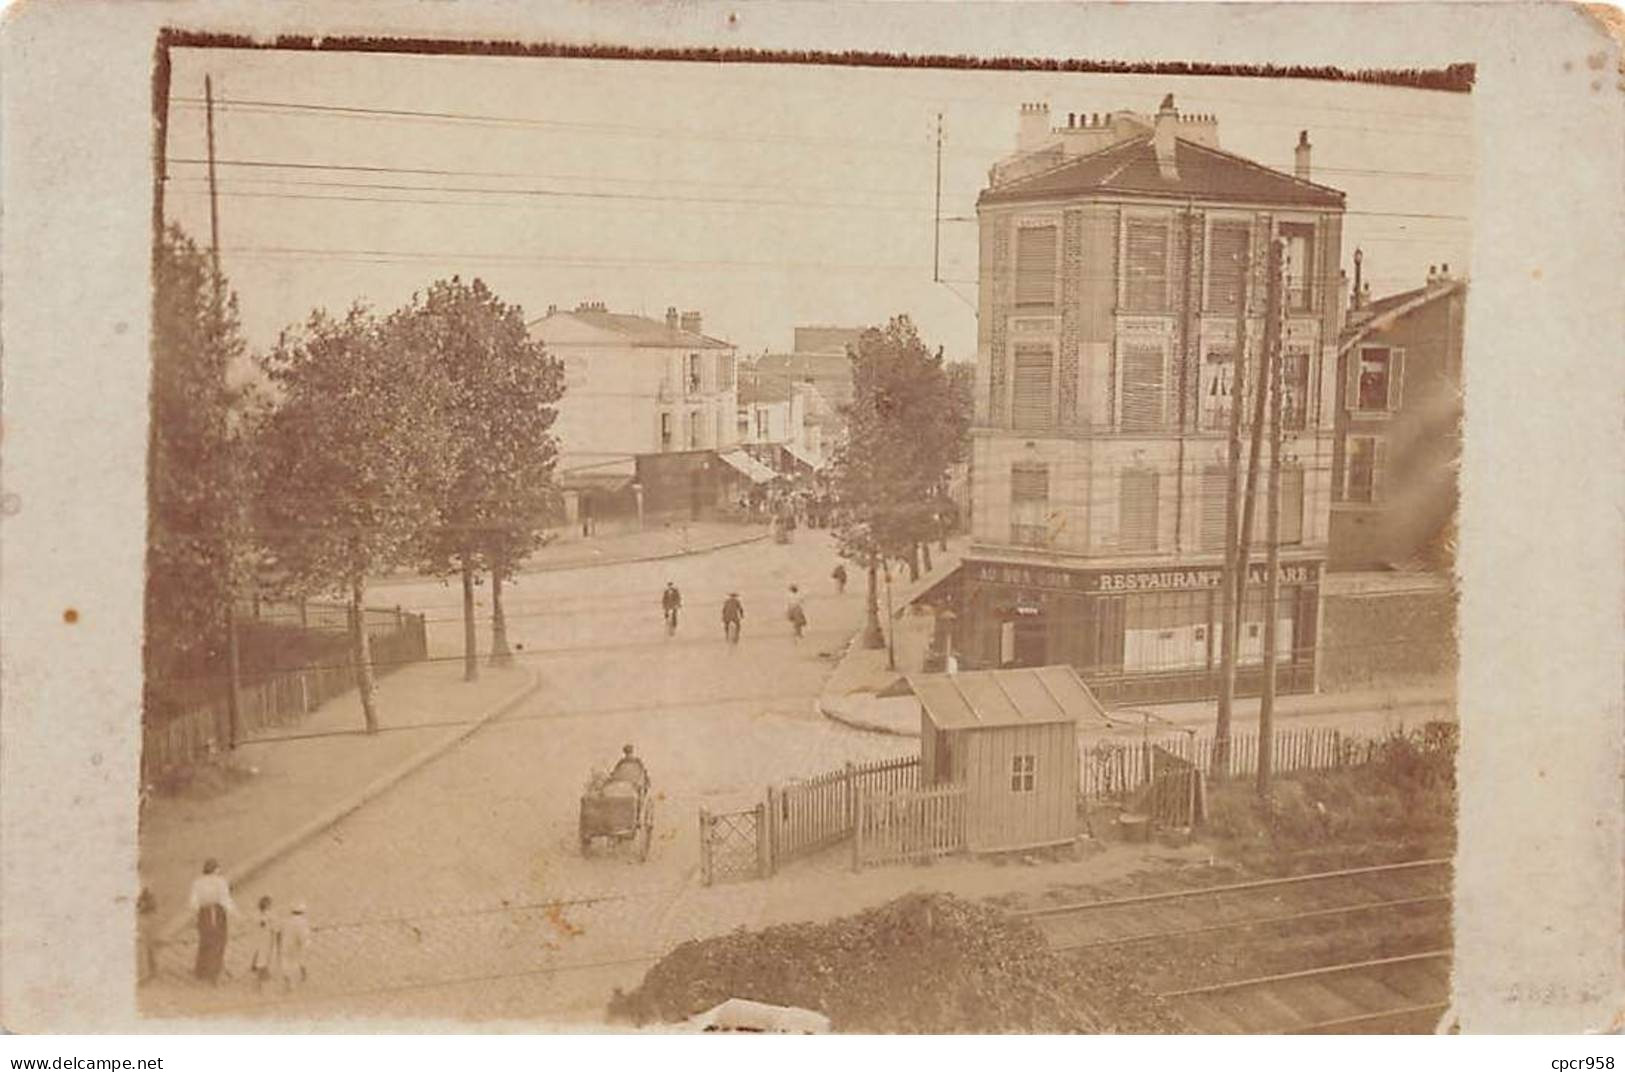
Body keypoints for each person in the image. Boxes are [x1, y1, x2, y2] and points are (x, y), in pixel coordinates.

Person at [188, 858, 237, 984]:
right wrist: (235, 913)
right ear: (216, 869)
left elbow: (193, 902)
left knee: (205, 940)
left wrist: (195, 915)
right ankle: (213, 972)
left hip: (203, 913)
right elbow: (225, 899)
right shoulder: (220, 882)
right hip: (217, 912)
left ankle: (201, 971)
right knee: (219, 941)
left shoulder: (197, 882)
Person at [248, 894, 281, 992]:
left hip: (256, 938)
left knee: (259, 955)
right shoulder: (270, 915)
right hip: (266, 938)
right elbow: (276, 928)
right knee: (264, 956)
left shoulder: (255, 915)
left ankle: (260, 974)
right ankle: (260, 981)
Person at [281, 902, 311, 992]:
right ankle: (302, 977)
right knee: (299, 961)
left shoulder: (287, 921)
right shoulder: (302, 922)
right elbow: (303, 936)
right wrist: (306, 943)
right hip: (296, 945)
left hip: (286, 944)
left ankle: (288, 983)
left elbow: (283, 932)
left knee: (287, 963)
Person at [136, 887, 159, 986]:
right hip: (145, 919)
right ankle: (151, 970)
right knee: (147, 946)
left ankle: (147, 972)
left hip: (145, 919)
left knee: (146, 946)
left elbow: (150, 905)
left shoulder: (145, 890)